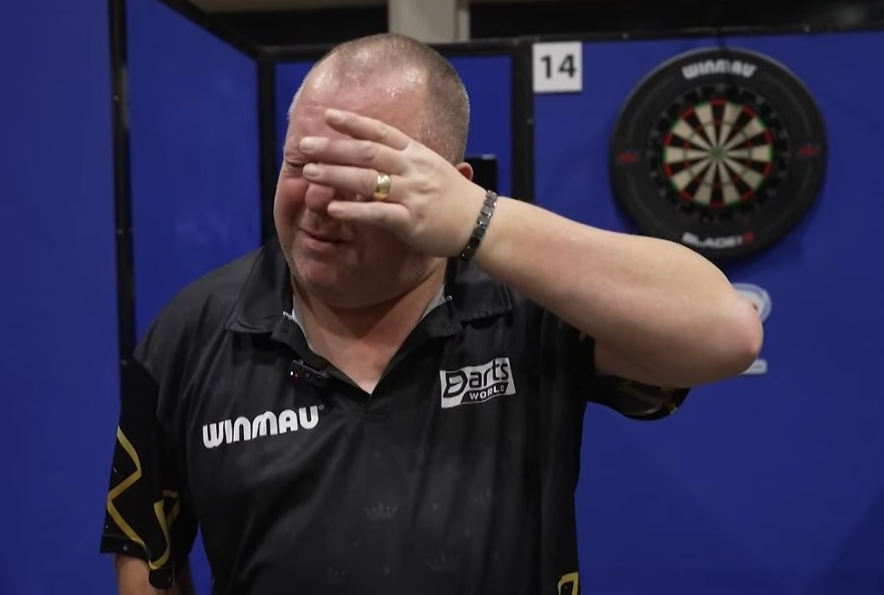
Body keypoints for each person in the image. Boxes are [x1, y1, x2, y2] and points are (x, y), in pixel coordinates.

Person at [99, 33, 763, 595]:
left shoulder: (527, 307)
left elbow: (728, 332)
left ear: (451, 185)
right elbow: (148, 558)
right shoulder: (194, 332)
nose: (320, 201)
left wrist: (483, 226)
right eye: (302, 163)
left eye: (365, 176)